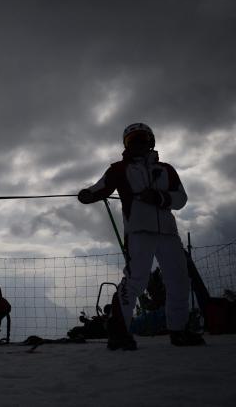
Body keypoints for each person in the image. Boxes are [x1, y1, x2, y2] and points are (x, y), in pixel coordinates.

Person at [78, 122, 205, 350]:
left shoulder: (167, 169)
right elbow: (101, 187)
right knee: (136, 279)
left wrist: (159, 197)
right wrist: (87, 195)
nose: (137, 144)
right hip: (138, 232)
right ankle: (119, 333)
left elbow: (181, 199)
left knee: (178, 280)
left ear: (151, 141)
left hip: (168, 233)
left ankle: (179, 330)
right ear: (126, 145)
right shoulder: (118, 169)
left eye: (141, 139)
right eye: (132, 140)